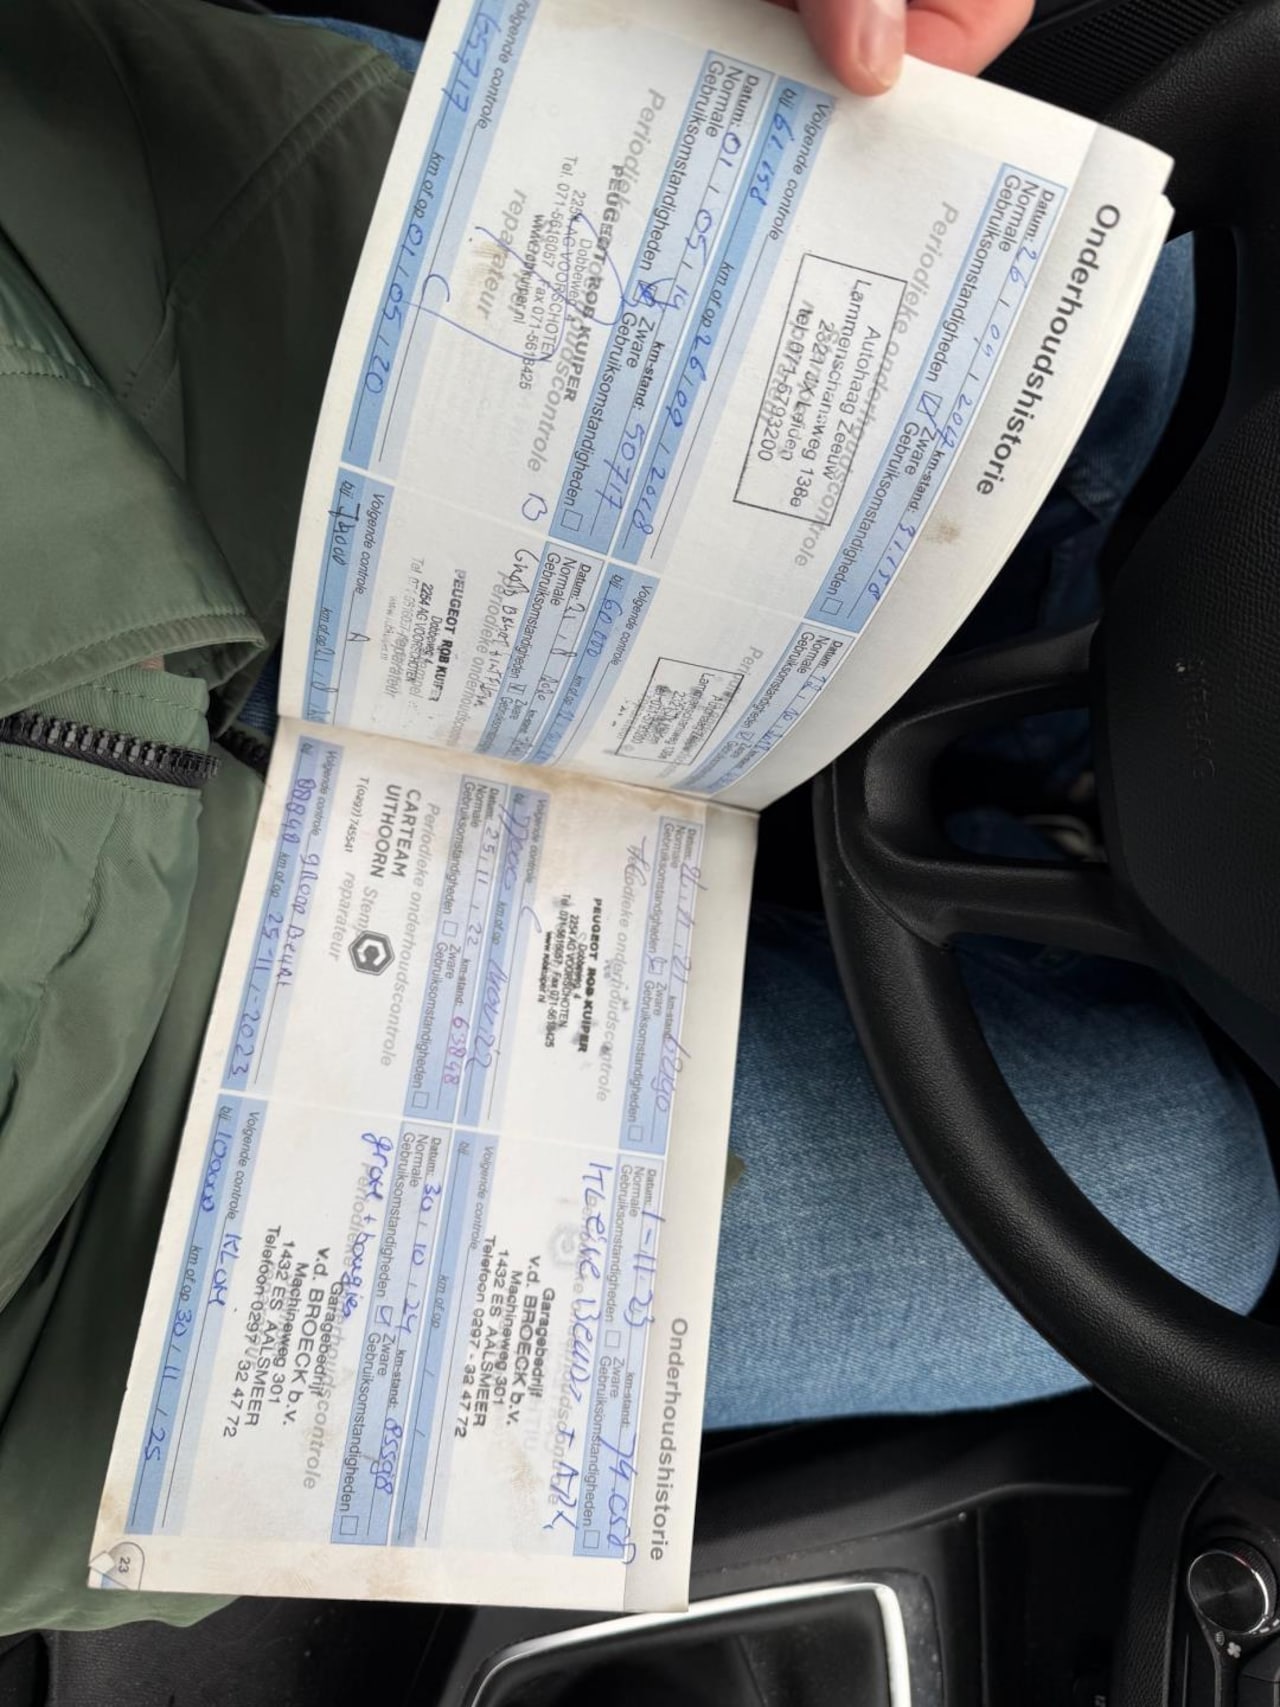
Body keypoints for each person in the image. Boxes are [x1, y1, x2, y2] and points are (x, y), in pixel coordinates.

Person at [0, 0, 1272, 1638]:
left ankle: (995, 819)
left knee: (1137, 303)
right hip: (85, 1210)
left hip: (113, 326)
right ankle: (1000, 827)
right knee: (1183, 1216)